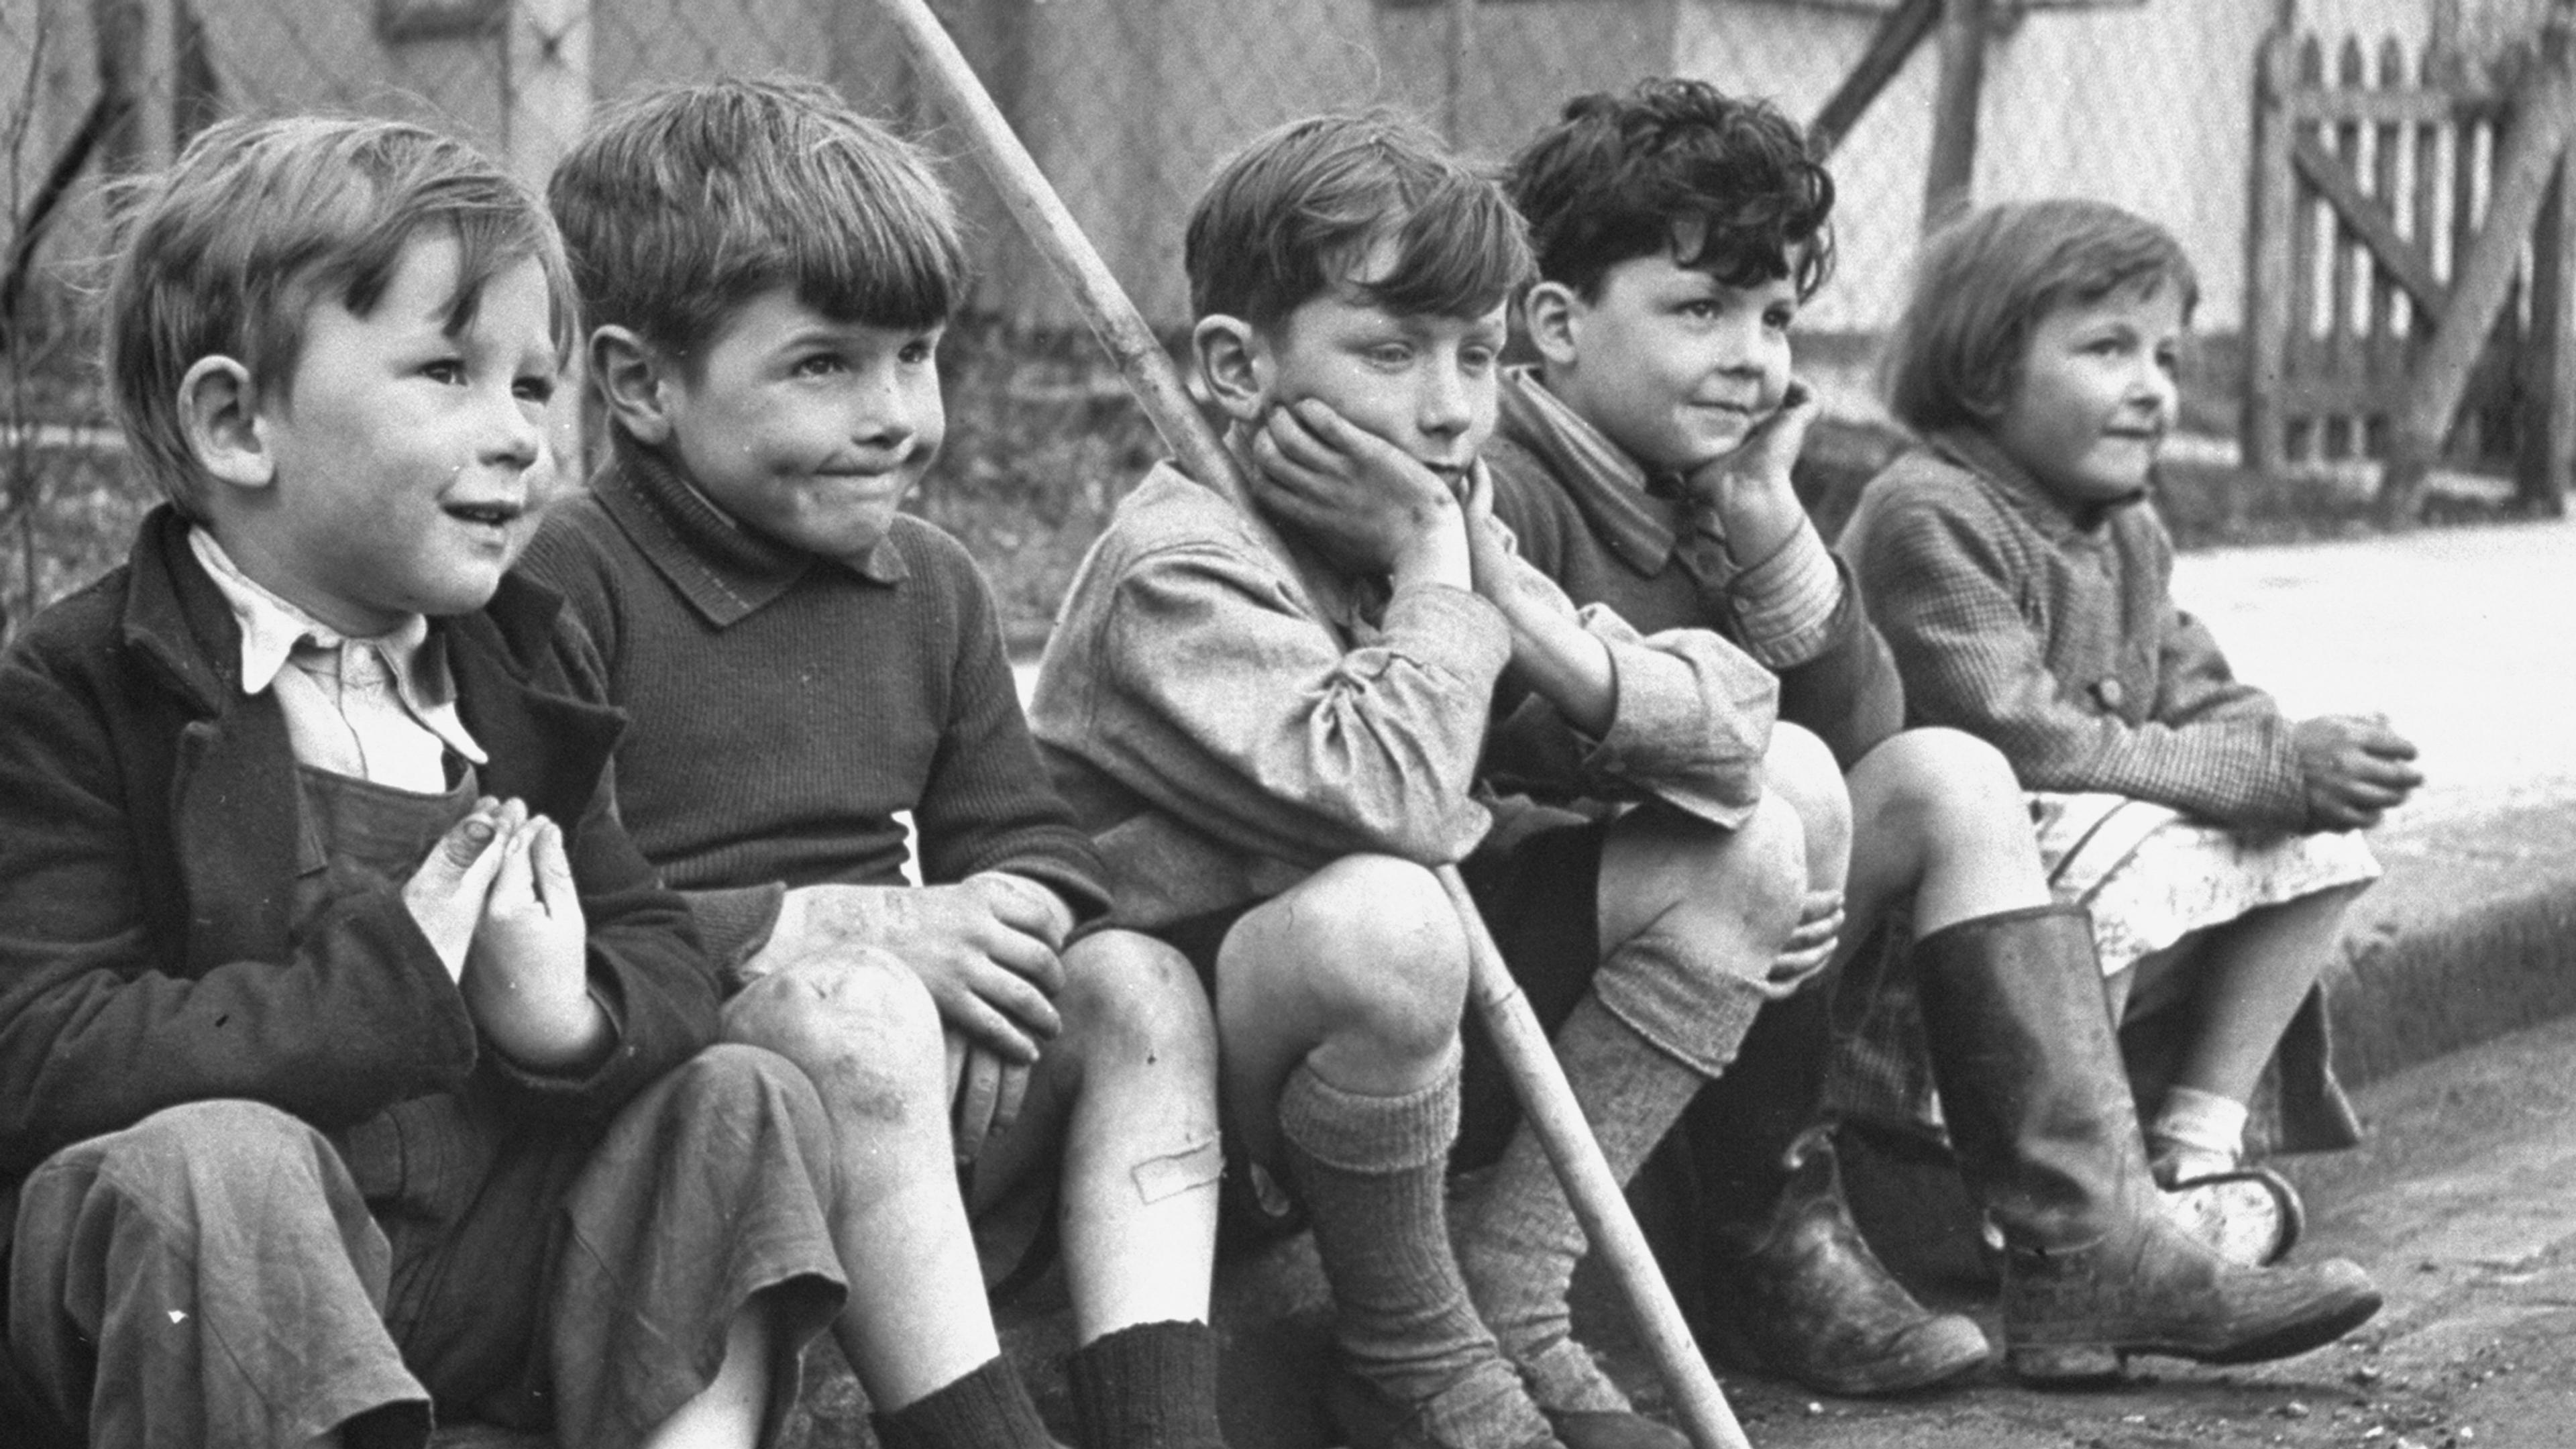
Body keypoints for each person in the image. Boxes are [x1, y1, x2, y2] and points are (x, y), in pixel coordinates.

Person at [0, 116, 857, 1449]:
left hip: (483, 1265)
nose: (520, 438)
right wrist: (388, 983)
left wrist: (560, 1016)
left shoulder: (520, 662)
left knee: (743, 1098)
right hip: (228, 1302)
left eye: (531, 388)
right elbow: (44, 1049)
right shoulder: (83, 690)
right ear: (236, 423)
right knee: (212, 1164)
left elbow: (661, 950)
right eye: (449, 373)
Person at [1031, 111, 1833, 1449]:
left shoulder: (1436, 528)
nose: (1453, 405)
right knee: (1387, 921)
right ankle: (1411, 1355)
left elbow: (1736, 733)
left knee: (1750, 844)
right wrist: (1435, 574)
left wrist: (1548, 644)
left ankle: (1515, 1301)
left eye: (1479, 356)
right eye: (1391, 353)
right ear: (1236, 366)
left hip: (1393, 1034)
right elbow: (1390, 804)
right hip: (1190, 1061)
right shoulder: (1184, 569)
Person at [521, 78, 1229, 1449]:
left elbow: (1033, 840)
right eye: (825, 365)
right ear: (641, 385)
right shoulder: (565, 585)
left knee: (1140, 984)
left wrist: (1015, 925)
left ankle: (1163, 1422)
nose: (899, 413)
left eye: (917, 354)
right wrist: (854, 928)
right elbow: (563, 921)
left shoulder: (931, 584)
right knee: (856, 1010)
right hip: (698, 1112)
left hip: (913, 1093)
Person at [1483, 76, 1999, 1397]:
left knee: (1944, 778)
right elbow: (1495, 763)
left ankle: (2080, 1234)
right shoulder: (1508, 490)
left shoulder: (1704, 479)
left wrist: (1768, 520)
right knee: (1782, 781)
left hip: (1712, 936)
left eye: (1776, 317)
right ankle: (1763, 1235)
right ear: (1554, 323)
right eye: (1699, 309)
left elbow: (1860, 737)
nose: (1753, 357)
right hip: (1530, 977)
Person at [1837, 196, 2410, 1381]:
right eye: (2107, 349)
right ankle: (2048, 1193)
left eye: (2168, 357)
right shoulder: (1925, 512)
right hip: (1933, 979)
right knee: (2129, 814)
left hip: (2074, 917)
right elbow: (2022, 737)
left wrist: (2298, 753)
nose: (2153, 386)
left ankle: (2189, 1162)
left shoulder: (2127, 530)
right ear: (1987, 371)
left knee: (2319, 840)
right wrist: (2262, 771)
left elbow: (2199, 691)